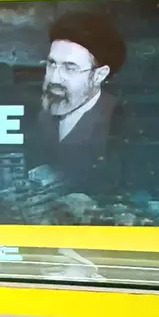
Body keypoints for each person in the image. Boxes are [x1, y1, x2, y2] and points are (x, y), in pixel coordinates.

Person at [28, 11, 129, 193]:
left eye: (70, 68)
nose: (54, 78)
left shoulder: (119, 123)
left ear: (99, 75)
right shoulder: (41, 115)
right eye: (52, 64)